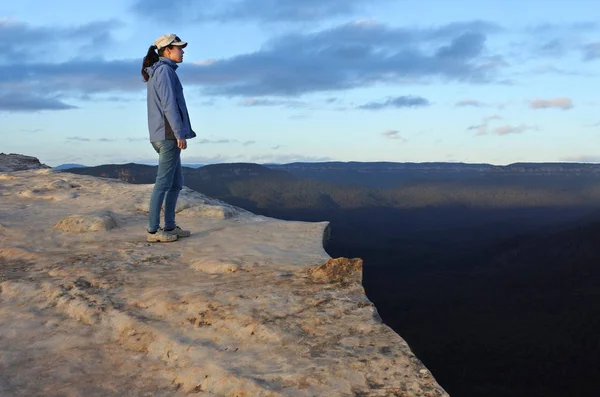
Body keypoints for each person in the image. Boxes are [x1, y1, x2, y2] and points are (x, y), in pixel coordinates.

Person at [141, 33, 197, 242]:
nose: (182, 51)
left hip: (164, 134)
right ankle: (154, 231)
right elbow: (169, 105)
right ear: (167, 50)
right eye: (179, 48)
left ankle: (170, 226)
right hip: (167, 135)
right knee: (163, 184)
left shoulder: (161, 71)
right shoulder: (164, 71)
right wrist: (179, 133)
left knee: (175, 183)